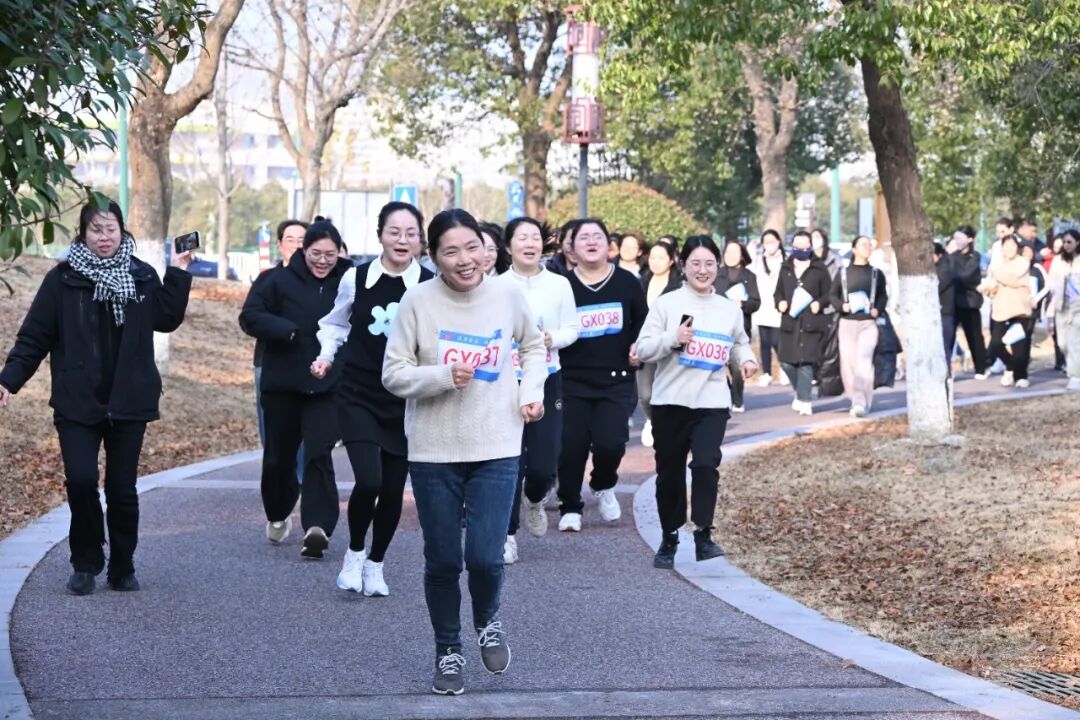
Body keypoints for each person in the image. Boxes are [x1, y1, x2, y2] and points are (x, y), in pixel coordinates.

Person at [382, 208, 547, 696]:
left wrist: (530, 392)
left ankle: (488, 620)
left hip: (497, 444)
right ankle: (448, 649)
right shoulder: (417, 301)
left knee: (485, 556)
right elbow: (393, 373)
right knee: (442, 561)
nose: (465, 259)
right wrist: (439, 376)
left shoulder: (507, 295)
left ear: (486, 248)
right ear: (432, 257)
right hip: (433, 451)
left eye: (472, 247)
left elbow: (533, 347)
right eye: (451, 251)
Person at [0, 199, 193, 595]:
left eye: (110, 229)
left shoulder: (141, 275)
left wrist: (178, 272)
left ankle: (123, 565)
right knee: (82, 480)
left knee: (122, 490)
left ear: (122, 231)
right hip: (77, 399)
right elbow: (34, 337)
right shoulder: (62, 280)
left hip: (130, 399)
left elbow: (165, 319)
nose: (104, 237)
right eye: (96, 229)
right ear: (83, 233)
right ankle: (85, 562)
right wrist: (8, 380)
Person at [312, 202, 434, 596]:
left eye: (411, 233)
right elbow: (335, 323)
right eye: (394, 231)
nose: (402, 240)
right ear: (380, 234)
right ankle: (354, 553)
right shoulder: (356, 277)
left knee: (394, 489)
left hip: (406, 398)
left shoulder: (429, 284)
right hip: (359, 392)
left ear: (420, 240)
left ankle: (376, 563)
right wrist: (326, 355)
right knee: (370, 479)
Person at [636, 236, 758, 568]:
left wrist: (746, 360)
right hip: (670, 401)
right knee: (669, 472)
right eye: (695, 264)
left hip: (711, 401)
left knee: (705, 464)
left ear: (718, 266)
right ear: (683, 266)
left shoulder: (728, 308)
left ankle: (704, 533)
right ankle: (669, 536)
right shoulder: (666, 304)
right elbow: (643, 348)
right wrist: (672, 339)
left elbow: (739, 342)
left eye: (709, 264)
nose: (702, 271)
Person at [239, 218, 351, 558]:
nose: (323, 261)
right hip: (283, 385)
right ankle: (277, 511)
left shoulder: (350, 280)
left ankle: (318, 527)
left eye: (330, 254)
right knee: (279, 458)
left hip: (328, 385)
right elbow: (249, 316)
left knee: (318, 453)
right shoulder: (276, 280)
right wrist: (284, 329)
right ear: (304, 250)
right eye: (316, 253)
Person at [496, 217, 579, 564]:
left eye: (535, 237)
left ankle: (535, 497)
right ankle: (507, 535)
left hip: (547, 376)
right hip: (506, 381)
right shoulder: (496, 286)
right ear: (508, 246)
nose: (529, 243)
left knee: (545, 462)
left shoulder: (559, 284)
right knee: (509, 459)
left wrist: (551, 338)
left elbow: (573, 327)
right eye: (522, 238)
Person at [557, 219, 649, 531]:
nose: (591, 242)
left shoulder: (627, 281)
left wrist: (638, 347)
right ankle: (570, 506)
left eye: (598, 236)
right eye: (584, 237)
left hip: (616, 379)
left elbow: (642, 323)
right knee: (571, 445)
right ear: (571, 248)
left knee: (611, 443)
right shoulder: (562, 286)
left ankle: (603, 483)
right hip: (571, 380)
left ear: (609, 245)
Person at [248, 220, 309, 478]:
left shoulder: (322, 281)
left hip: (310, 365)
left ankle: (303, 481)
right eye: (290, 239)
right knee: (272, 430)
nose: (296, 245)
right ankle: (279, 481)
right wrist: (284, 329)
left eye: (302, 240)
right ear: (280, 245)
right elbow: (250, 317)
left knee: (307, 428)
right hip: (269, 363)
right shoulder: (267, 280)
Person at [774, 230, 831, 416]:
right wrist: (780, 302)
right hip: (790, 322)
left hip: (811, 323)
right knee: (787, 362)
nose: (800, 249)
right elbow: (778, 292)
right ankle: (801, 393)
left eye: (804, 246)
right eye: (797, 246)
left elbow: (829, 294)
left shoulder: (819, 269)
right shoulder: (785, 268)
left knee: (806, 362)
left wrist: (819, 303)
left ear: (810, 247)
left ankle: (806, 401)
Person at [830, 235, 888, 416]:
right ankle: (856, 398)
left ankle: (861, 402)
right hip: (847, 322)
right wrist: (842, 306)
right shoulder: (843, 273)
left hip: (868, 323)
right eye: (863, 244)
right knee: (848, 364)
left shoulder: (876, 274)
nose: (867, 247)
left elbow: (883, 296)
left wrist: (877, 309)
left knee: (864, 361)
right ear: (854, 249)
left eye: (869, 245)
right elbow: (832, 295)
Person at [637, 239, 683, 447]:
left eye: (661, 258)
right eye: (652, 257)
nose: (655, 262)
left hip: (672, 346)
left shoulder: (680, 285)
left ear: (671, 260)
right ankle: (651, 420)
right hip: (646, 344)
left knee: (671, 392)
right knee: (646, 394)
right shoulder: (640, 282)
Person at [979, 234, 1033, 388]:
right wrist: (988, 289)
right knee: (996, 343)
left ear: (1017, 247)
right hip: (1001, 309)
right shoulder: (996, 264)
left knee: (1019, 346)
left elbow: (1013, 279)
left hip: (1019, 309)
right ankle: (1010, 365)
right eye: (1006, 245)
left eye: (1013, 245)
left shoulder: (1023, 262)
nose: (1009, 248)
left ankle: (1020, 376)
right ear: (1001, 248)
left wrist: (997, 275)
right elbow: (989, 283)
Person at [712, 240, 760, 413]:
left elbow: (756, 302)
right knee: (716, 367)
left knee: (737, 368)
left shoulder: (749, 276)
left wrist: (743, 304)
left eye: (734, 252)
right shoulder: (716, 274)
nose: (730, 256)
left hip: (739, 329)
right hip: (718, 329)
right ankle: (727, 393)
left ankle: (737, 399)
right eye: (727, 252)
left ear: (742, 255)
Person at [950, 225, 989, 378]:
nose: (957, 241)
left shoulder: (976, 257)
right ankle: (947, 368)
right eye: (956, 238)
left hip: (971, 303)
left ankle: (981, 368)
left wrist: (955, 277)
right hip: (953, 302)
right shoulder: (951, 256)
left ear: (970, 239)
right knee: (949, 336)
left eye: (960, 238)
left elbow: (967, 276)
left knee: (974, 337)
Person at [751, 230, 787, 387]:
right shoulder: (759, 261)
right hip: (762, 306)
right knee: (764, 342)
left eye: (773, 241)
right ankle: (767, 373)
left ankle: (784, 368)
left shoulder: (785, 260)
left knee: (777, 340)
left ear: (779, 242)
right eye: (766, 241)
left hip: (778, 306)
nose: (770, 244)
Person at [1047, 229, 1080, 391]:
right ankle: (1072, 365)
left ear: (1077, 242)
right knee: (1063, 343)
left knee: (1074, 341)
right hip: (1062, 305)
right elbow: (1050, 283)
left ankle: (1075, 376)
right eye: (1065, 242)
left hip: (1078, 306)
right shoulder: (1058, 260)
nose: (1066, 245)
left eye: (1070, 242)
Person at [933, 242, 958, 365]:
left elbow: (937, 287)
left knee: (944, 345)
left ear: (939, 255)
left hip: (944, 311)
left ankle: (945, 371)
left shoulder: (945, 268)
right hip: (938, 311)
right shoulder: (938, 267)